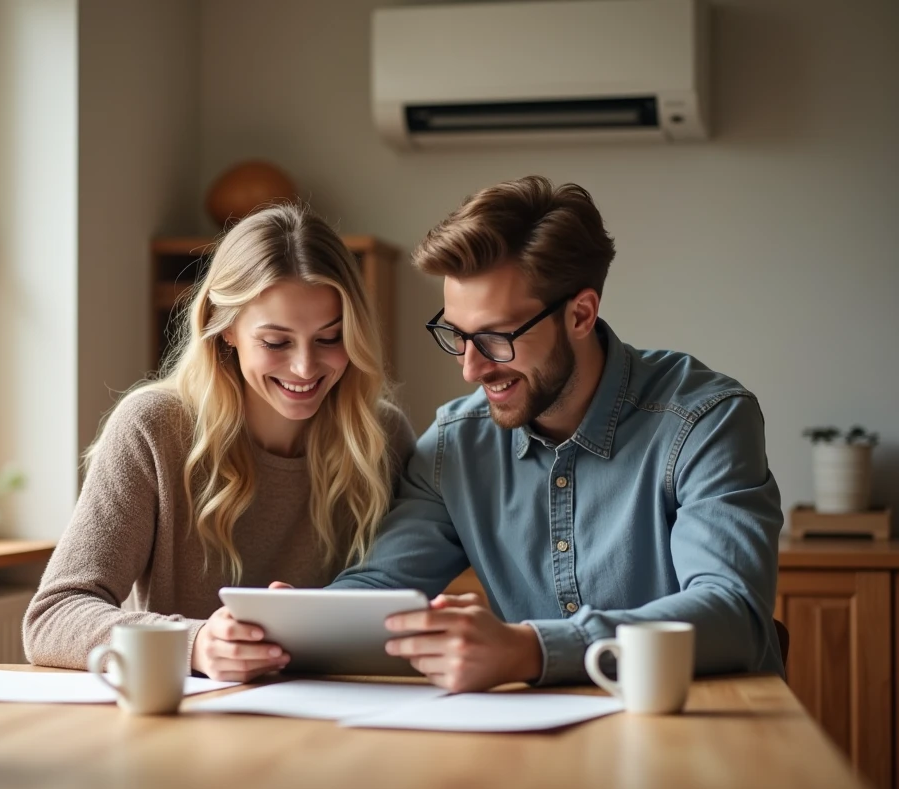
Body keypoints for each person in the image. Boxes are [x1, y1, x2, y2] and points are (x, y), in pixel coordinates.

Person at [317, 176, 785, 691]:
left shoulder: (705, 421)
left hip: (713, 732)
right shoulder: (455, 445)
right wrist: (295, 624)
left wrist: (532, 649)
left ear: (580, 314)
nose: (471, 370)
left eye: (495, 338)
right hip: (543, 738)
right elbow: (381, 585)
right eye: (457, 335)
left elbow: (732, 611)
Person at [23, 204, 415, 682]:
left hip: (334, 721)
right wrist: (196, 644)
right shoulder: (153, 428)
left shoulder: (383, 438)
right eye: (276, 342)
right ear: (225, 327)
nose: (305, 368)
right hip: (189, 725)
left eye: (330, 338)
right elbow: (52, 617)